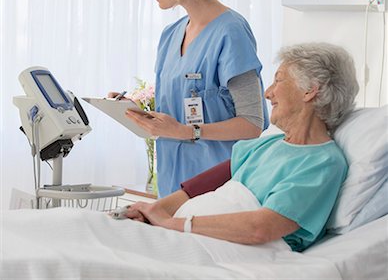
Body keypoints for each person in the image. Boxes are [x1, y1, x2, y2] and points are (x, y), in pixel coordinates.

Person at [123, 43, 359, 252]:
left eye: (279, 80)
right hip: (191, 234)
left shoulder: (323, 162)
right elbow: (195, 190)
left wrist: (171, 223)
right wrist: (149, 212)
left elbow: (261, 228)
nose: (268, 93)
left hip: (238, 250)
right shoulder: (266, 145)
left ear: (310, 90)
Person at [115, 0, 269, 197]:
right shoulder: (171, 34)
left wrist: (187, 131)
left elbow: (252, 124)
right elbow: (177, 104)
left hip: (217, 185)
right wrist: (135, 108)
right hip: (173, 182)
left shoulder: (231, 32)